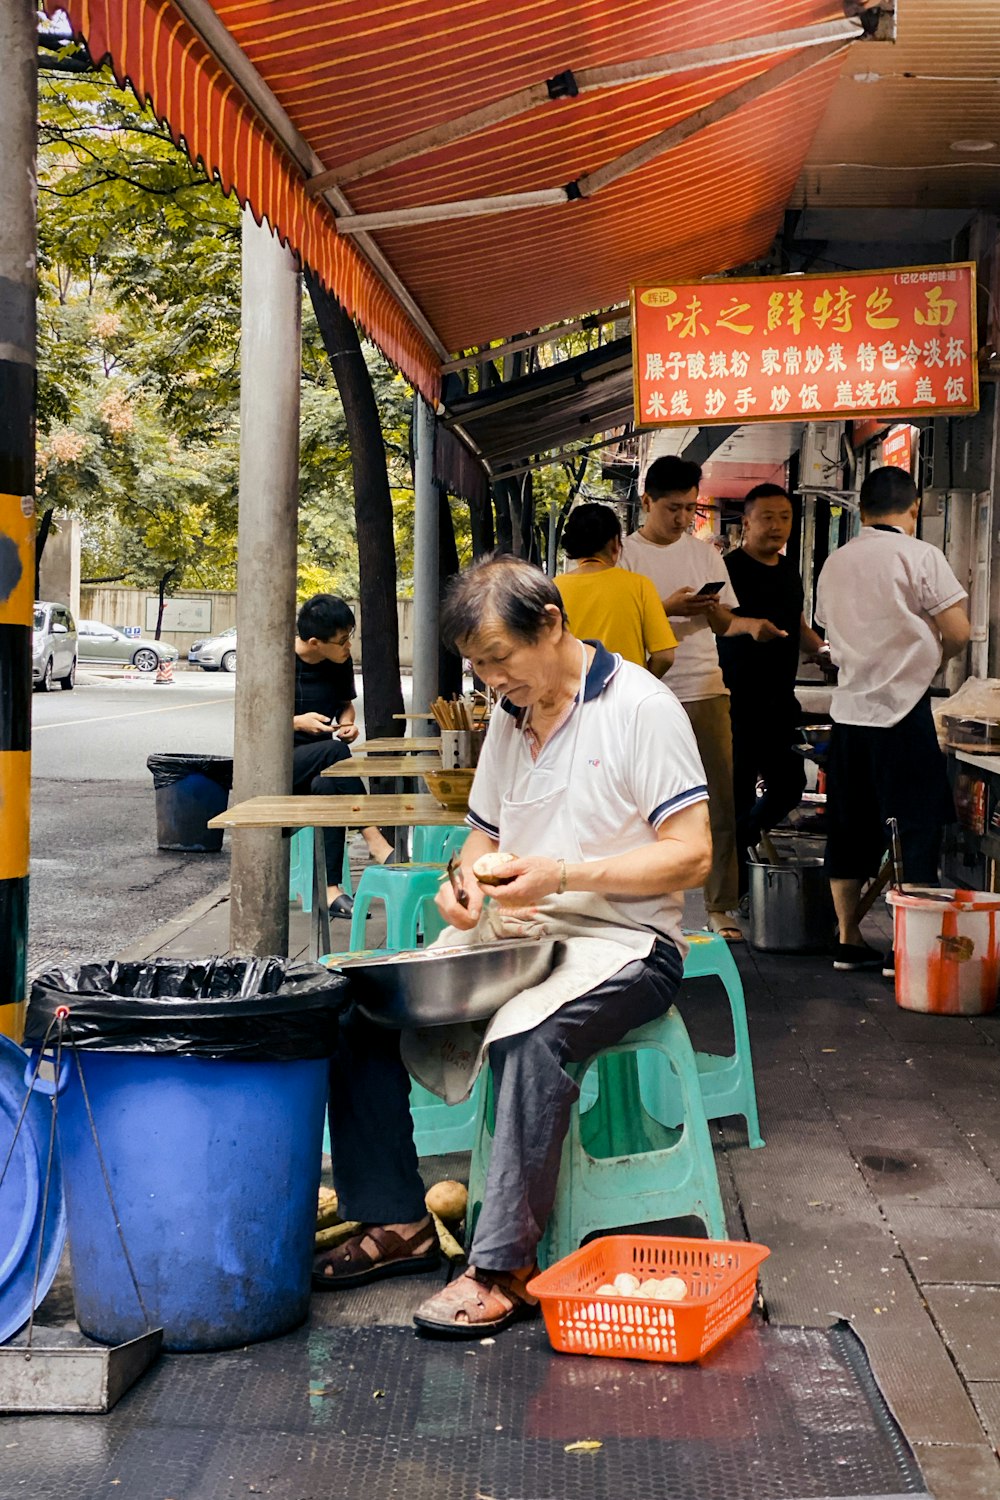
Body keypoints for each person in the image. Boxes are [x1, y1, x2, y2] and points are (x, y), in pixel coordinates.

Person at [313, 555, 712, 1336]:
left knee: (532, 1038)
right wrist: (461, 891)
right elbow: (481, 838)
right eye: (479, 667)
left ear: (552, 625)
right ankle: (397, 1221)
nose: (493, 681)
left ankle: (502, 1268)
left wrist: (562, 874)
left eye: (501, 660)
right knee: (356, 1014)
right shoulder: (508, 716)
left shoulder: (641, 708)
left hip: (631, 944)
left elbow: (692, 854)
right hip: (519, 936)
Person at [619, 454, 785, 941]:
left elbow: (724, 621)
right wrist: (663, 608)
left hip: (705, 687)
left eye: (689, 508)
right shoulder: (624, 556)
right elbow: (621, 623)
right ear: (646, 502)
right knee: (638, 802)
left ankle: (722, 905)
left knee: (720, 802)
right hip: (643, 691)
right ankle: (637, 900)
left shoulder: (705, 554)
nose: (681, 518)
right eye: (672, 507)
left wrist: (734, 620)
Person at [815, 466, 970, 972]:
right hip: (904, 713)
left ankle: (847, 937)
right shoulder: (922, 555)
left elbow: (829, 633)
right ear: (914, 507)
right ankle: (908, 947)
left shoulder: (835, 561)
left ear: (860, 510)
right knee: (916, 827)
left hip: (850, 714)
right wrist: (937, 656)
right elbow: (960, 630)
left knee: (847, 826)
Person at [718, 484, 827, 896]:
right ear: (746, 522)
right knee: (739, 793)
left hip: (780, 699)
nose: (778, 526)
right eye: (767, 517)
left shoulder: (787, 568)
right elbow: (719, 622)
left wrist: (822, 650)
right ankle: (739, 891)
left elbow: (797, 625)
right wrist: (748, 628)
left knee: (788, 785)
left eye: (785, 517)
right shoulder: (728, 569)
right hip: (735, 698)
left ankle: (738, 841)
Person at [292, 594, 393, 917]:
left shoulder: (339, 662)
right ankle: (375, 839)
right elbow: (254, 718)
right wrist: (296, 721)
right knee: (336, 752)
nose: (349, 646)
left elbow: (345, 704)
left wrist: (348, 723)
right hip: (282, 763)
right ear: (314, 642)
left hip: (324, 764)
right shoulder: (278, 660)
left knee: (327, 787)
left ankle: (331, 889)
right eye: (342, 641)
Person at [555, 502, 677, 676]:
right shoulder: (639, 585)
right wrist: (641, 684)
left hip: (574, 695)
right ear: (614, 543)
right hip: (627, 697)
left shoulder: (553, 590)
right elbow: (665, 657)